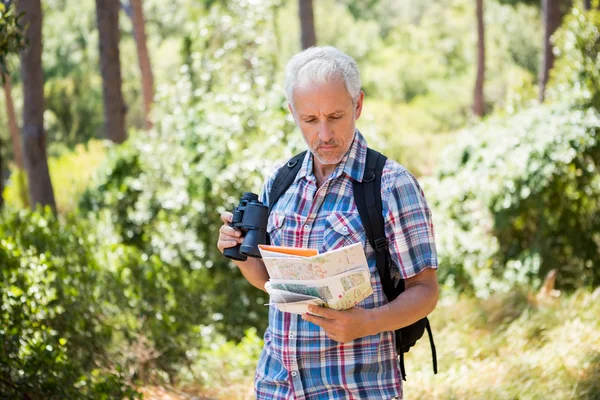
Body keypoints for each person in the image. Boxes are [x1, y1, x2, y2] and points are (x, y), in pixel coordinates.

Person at [217, 46, 439, 400]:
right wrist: (239, 250)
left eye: (335, 116)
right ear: (293, 113)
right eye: (310, 120)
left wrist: (367, 323)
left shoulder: (392, 185)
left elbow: (426, 291)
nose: (324, 134)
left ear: (358, 106)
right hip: (276, 386)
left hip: (354, 390)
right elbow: (273, 285)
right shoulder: (280, 181)